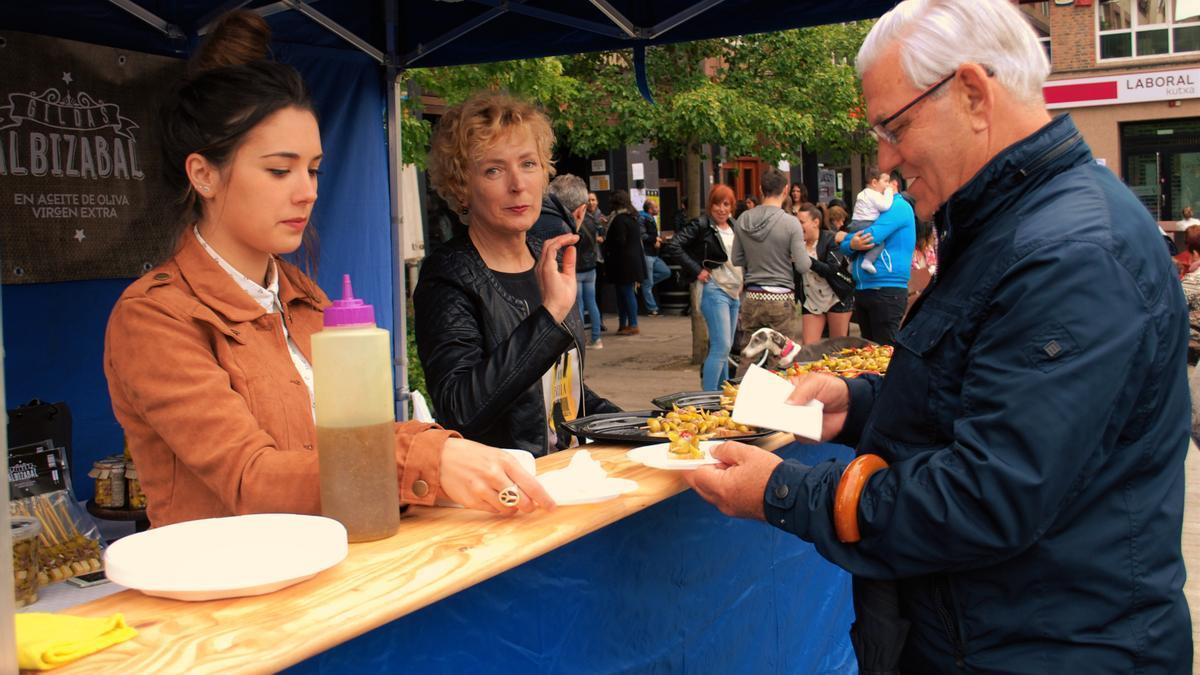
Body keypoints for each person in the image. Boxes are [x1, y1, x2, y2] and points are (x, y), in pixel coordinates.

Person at [685, 0, 1191, 672]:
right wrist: (859, 403)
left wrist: (782, 492)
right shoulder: (1016, 225)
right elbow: (986, 395)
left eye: (893, 127)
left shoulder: (1070, 251)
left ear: (974, 94)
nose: (885, 159)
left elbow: (987, 495)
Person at [102, 12, 553, 527]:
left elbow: (359, 441)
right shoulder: (156, 317)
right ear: (203, 173)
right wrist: (424, 459)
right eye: (279, 170)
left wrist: (436, 452)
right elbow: (251, 478)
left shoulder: (305, 298)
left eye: (313, 169)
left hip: (338, 575)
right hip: (230, 597)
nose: (307, 190)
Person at [415, 92, 619, 456]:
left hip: (568, 479)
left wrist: (644, 429)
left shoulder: (547, 256)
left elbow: (562, 392)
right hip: (505, 492)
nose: (517, 184)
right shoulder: (448, 276)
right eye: (494, 169)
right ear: (462, 187)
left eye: (528, 164)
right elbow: (460, 409)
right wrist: (550, 317)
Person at [662, 184, 743, 391]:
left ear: (732, 206)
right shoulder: (702, 224)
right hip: (714, 290)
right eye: (717, 204)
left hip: (734, 292)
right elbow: (674, 245)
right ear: (710, 205)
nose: (721, 209)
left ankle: (722, 395)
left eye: (726, 204)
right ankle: (707, 397)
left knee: (725, 349)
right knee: (721, 346)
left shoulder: (735, 226)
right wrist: (697, 269)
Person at [730, 167, 810, 353]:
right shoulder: (790, 223)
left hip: (752, 296)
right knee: (780, 357)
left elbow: (736, 259)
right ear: (785, 190)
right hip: (780, 297)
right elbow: (803, 265)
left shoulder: (743, 219)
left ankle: (745, 382)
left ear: (760, 189)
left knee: (750, 355)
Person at [841, 176, 915, 345]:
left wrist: (847, 239)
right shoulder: (876, 206)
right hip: (864, 287)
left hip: (886, 289)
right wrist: (849, 243)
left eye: (882, 181)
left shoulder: (898, 206)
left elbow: (871, 236)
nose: (873, 185)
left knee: (884, 353)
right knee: (869, 353)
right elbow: (845, 246)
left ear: (893, 184)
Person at [552, 175, 602, 349]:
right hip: (591, 266)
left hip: (577, 268)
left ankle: (579, 338)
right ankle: (597, 337)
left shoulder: (564, 226)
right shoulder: (593, 221)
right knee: (591, 302)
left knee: (577, 304)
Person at [796, 204, 853, 343]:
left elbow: (832, 270)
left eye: (802, 222)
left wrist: (806, 259)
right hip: (811, 300)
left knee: (837, 349)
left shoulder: (830, 239)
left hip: (837, 297)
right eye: (796, 222)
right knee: (808, 349)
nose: (797, 226)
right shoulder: (796, 243)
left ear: (815, 222)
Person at [600, 190, 647, 335]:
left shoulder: (619, 220)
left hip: (623, 264)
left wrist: (605, 242)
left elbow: (620, 241)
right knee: (623, 294)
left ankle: (632, 324)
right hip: (632, 263)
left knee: (625, 294)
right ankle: (623, 324)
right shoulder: (632, 218)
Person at [845, 168, 894, 274]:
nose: (887, 185)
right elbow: (885, 206)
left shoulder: (862, 193)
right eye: (885, 181)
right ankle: (868, 261)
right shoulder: (873, 194)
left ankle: (853, 263)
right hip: (866, 223)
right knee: (879, 242)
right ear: (874, 182)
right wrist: (889, 193)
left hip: (855, 223)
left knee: (860, 244)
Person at [639, 198, 670, 315]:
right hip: (646, 254)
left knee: (666, 272)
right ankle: (652, 309)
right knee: (648, 283)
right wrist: (655, 239)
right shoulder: (643, 218)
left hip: (653, 254)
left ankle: (646, 285)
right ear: (651, 209)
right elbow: (642, 235)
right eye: (656, 207)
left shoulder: (650, 218)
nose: (658, 209)